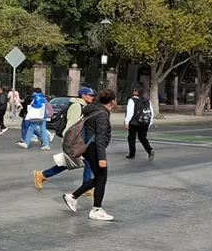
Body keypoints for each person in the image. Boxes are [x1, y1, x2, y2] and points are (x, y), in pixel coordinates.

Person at [63, 89, 117, 221]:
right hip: (94, 148)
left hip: (87, 147)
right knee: (101, 178)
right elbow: (100, 137)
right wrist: (102, 158)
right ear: (113, 101)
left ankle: (73, 196)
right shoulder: (102, 114)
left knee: (100, 178)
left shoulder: (91, 110)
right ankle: (96, 209)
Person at [34, 87, 97, 193]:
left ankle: (43, 174)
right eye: (91, 95)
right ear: (83, 95)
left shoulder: (83, 106)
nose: (93, 97)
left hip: (78, 139)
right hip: (74, 140)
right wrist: (71, 141)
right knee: (78, 162)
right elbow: (71, 125)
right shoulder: (77, 106)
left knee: (77, 162)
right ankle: (43, 174)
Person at [124, 88, 155, 161]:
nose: (133, 91)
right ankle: (149, 150)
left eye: (134, 90)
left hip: (134, 122)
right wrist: (150, 121)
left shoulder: (132, 100)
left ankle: (132, 154)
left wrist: (126, 122)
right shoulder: (147, 101)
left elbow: (130, 112)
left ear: (136, 92)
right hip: (145, 122)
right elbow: (151, 112)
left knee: (131, 138)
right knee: (142, 138)